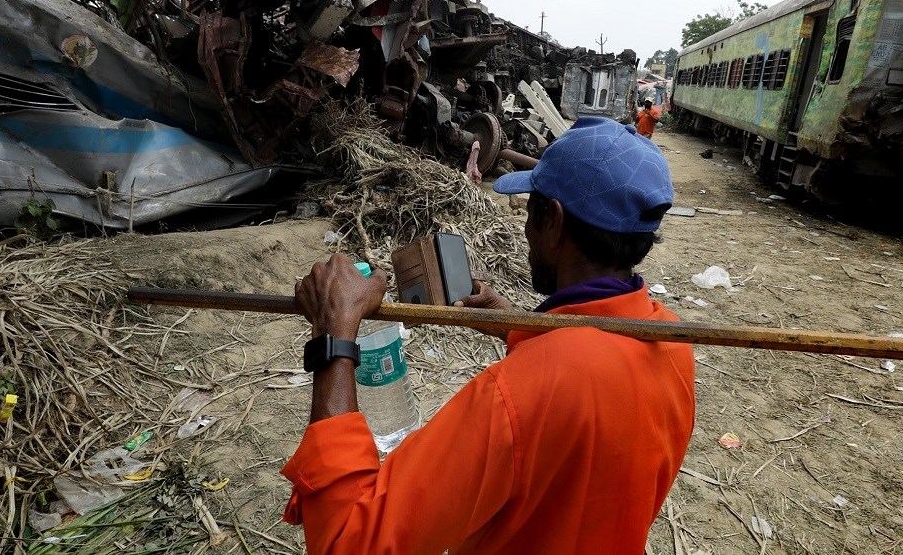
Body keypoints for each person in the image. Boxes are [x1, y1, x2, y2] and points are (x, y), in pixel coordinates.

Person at [282, 116, 696, 554]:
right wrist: (520, 325)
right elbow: (593, 376)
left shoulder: (517, 395)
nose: (526, 231)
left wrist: (333, 335)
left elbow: (349, 542)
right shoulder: (671, 339)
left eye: (530, 212)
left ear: (552, 221)